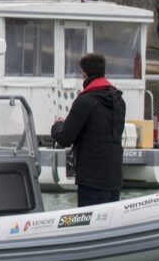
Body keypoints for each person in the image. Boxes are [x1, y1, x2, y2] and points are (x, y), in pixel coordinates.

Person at [50, 53, 126, 207]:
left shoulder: (85, 101)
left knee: (90, 225)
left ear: (84, 73)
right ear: (103, 72)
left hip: (91, 179)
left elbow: (65, 138)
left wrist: (57, 126)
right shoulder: (118, 100)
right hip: (114, 176)